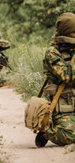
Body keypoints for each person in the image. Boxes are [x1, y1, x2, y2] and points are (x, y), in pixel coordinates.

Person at [35, 12, 75, 147]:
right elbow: (68, 77)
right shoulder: (52, 53)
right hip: (64, 108)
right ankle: (46, 130)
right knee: (71, 135)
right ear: (68, 32)